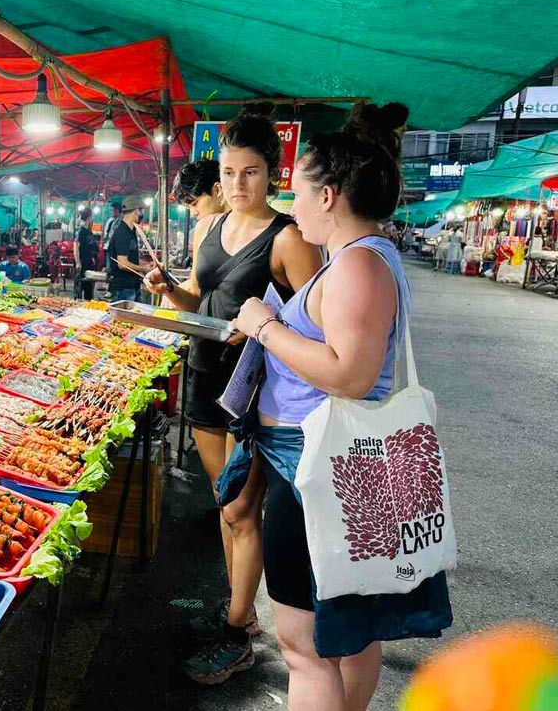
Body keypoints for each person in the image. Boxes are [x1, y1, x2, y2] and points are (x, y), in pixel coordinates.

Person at [228, 102, 452, 709]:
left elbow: (349, 374)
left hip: (319, 469)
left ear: (328, 195)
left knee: (305, 646)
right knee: (352, 636)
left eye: (297, 191)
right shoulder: (361, 258)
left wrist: (266, 327)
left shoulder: (358, 264)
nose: (292, 206)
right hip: (330, 465)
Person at [145, 105, 322, 684]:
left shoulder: (289, 238)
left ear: (272, 172)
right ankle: (236, 615)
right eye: (227, 172)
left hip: (256, 396)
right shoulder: (208, 229)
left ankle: (238, 630)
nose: (236, 184)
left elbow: (319, 327)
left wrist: (270, 328)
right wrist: (169, 289)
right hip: (203, 380)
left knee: (243, 510)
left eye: (249, 172)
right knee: (227, 510)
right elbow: (199, 303)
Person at [108, 197, 149, 301]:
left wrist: (147, 264)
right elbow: (122, 264)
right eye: (141, 211)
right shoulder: (123, 233)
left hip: (132, 286)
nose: (141, 215)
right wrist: (144, 269)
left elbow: (131, 258)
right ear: (136, 211)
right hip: (123, 289)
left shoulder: (131, 232)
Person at [74, 208, 99, 300]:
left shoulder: (88, 231)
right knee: (80, 288)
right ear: (89, 217)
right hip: (82, 262)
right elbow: (76, 246)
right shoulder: (80, 231)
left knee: (88, 287)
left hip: (89, 262)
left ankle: (88, 306)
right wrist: (77, 262)